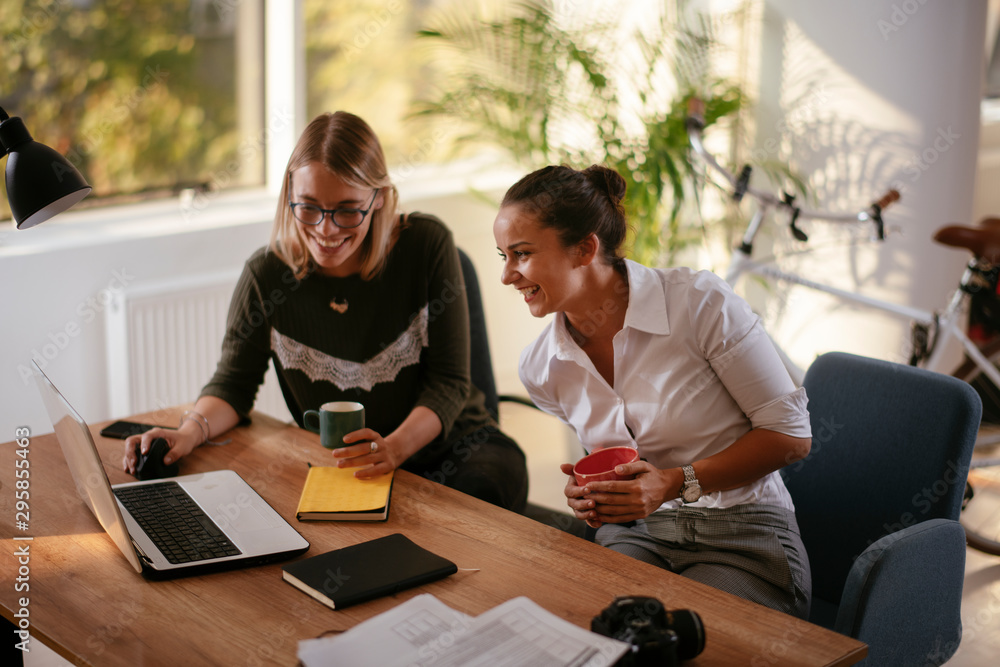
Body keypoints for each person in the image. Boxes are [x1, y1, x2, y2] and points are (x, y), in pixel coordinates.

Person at [124, 111, 528, 512]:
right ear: (290, 196)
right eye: (309, 207)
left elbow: (450, 383)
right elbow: (233, 384)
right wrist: (188, 432)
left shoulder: (425, 245)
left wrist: (393, 449)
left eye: (348, 210)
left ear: (380, 198)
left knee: (467, 510)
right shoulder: (267, 276)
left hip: (458, 451)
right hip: (345, 465)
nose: (326, 229)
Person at [493, 164, 812, 617]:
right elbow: (624, 466)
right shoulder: (542, 368)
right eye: (502, 256)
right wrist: (592, 496)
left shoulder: (701, 305)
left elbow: (792, 439)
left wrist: (672, 483)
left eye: (521, 254)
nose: (507, 276)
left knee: (672, 640)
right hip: (636, 535)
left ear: (585, 248)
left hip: (738, 535)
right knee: (585, 624)